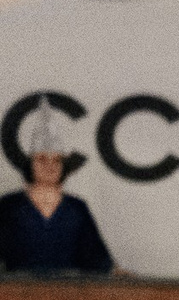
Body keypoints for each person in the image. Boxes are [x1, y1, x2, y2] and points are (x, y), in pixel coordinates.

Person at [0, 107, 115, 275]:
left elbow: (96, 258)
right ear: (30, 164)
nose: (50, 166)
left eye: (56, 160)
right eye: (41, 159)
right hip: (19, 293)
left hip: (67, 294)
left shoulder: (76, 208)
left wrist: (117, 273)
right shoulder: (9, 206)